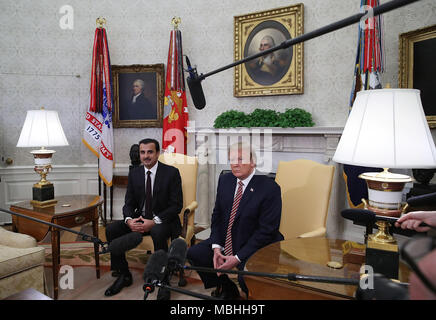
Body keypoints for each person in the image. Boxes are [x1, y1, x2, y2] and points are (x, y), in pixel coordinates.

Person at [187, 142, 283, 299]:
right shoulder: (226, 180)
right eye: (231, 159)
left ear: (253, 162)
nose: (235, 164)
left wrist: (237, 257)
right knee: (195, 253)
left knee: (245, 277)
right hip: (228, 239)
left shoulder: (270, 188)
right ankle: (227, 288)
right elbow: (217, 215)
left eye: (240, 159)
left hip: (257, 245)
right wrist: (217, 246)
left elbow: (267, 231)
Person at [104, 138, 183, 297]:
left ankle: (163, 280)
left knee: (158, 232)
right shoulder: (135, 173)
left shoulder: (171, 173)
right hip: (140, 218)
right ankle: (124, 274)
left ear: (158, 153)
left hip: (164, 221)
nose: (146, 156)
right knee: (112, 229)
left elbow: (176, 205)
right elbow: (128, 203)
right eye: (142, 152)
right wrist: (129, 220)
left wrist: (154, 221)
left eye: (150, 152)